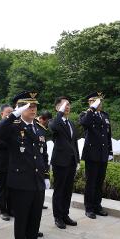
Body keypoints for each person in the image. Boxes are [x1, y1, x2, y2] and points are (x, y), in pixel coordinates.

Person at [0, 91, 49, 239]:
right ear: (20, 108)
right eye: (28, 106)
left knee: (35, 218)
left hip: (37, 181)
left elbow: (44, 155)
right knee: (22, 220)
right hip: (20, 182)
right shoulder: (12, 126)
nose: (33, 109)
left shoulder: (39, 128)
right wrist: (13, 115)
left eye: (34, 106)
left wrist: (46, 176)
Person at [79, 91, 113, 219]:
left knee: (100, 182)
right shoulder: (86, 114)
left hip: (103, 154)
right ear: (90, 103)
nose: (99, 104)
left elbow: (108, 135)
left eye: (100, 101)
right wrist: (92, 109)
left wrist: (110, 151)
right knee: (91, 182)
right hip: (91, 155)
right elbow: (84, 123)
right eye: (95, 101)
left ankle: (98, 205)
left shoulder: (105, 115)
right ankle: (89, 208)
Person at [49, 97, 79, 229]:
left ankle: (65, 214)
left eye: (68, 104)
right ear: (57, 108)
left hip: (71, 161)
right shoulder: (54, 121)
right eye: (64, 105)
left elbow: (74, 143)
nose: (67, 106)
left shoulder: (71, 123)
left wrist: (77, 160)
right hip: (60, 161)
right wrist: (60, 113)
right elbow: (53, 126)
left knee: (68, 190)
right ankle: (58, 217)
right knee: (59, 190)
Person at [0, 104, 13, 221]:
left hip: (14, 163)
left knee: (12, 188)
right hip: (2, 163)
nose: (10, 115)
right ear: (2, 114)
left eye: (12, 112)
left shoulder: (15, 126)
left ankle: (11, 209)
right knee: (2, 188)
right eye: (8, 113)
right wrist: (10, 144)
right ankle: (3, 210)